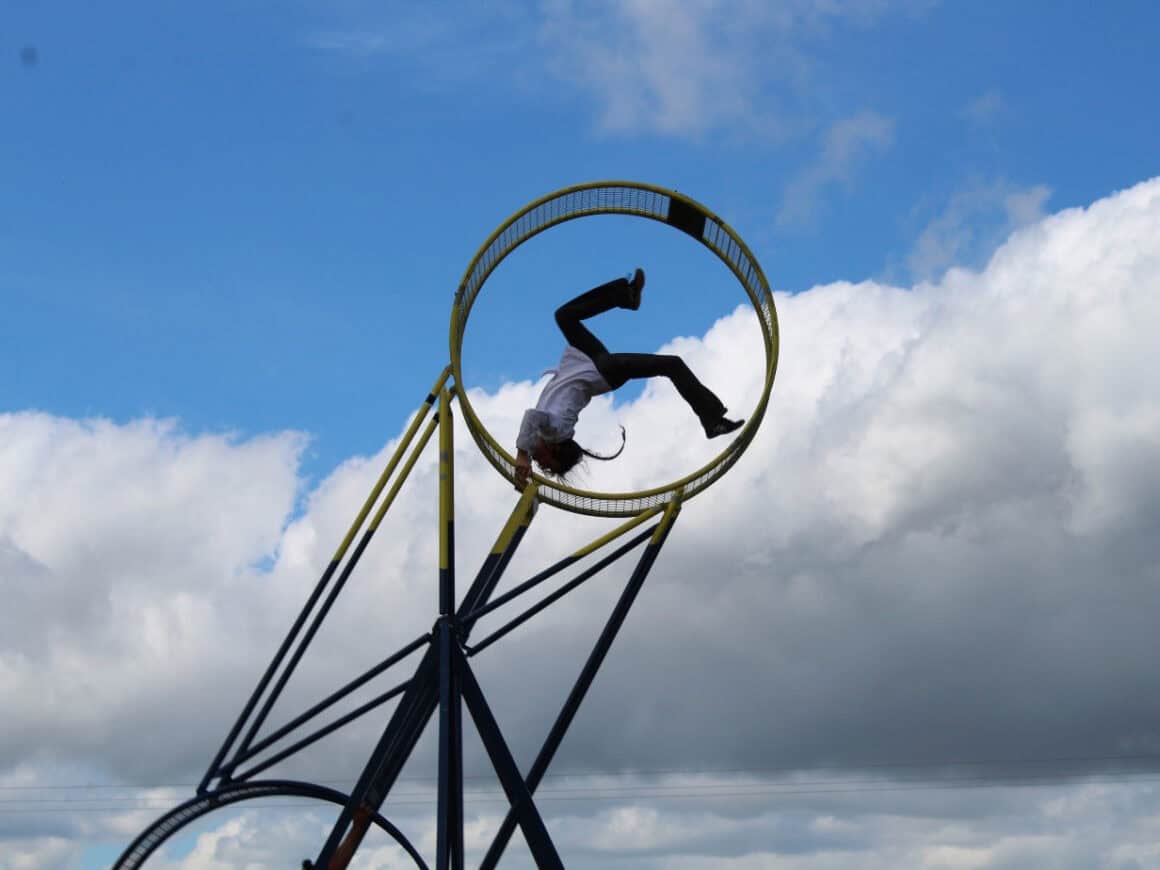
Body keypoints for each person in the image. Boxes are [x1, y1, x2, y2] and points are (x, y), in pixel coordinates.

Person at [514, 268, 743, 488]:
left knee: (564, 316)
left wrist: (523, 460)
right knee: (672, 364)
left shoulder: (548, 433)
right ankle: (713, 421)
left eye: (543, 466)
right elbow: (532, 418)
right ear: (556, 450)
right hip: (602, 371)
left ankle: (626, 295)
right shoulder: (557, 430)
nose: (540, 463)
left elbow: (531, 425)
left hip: (587, 362)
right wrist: (523, 454)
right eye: (547, 465)